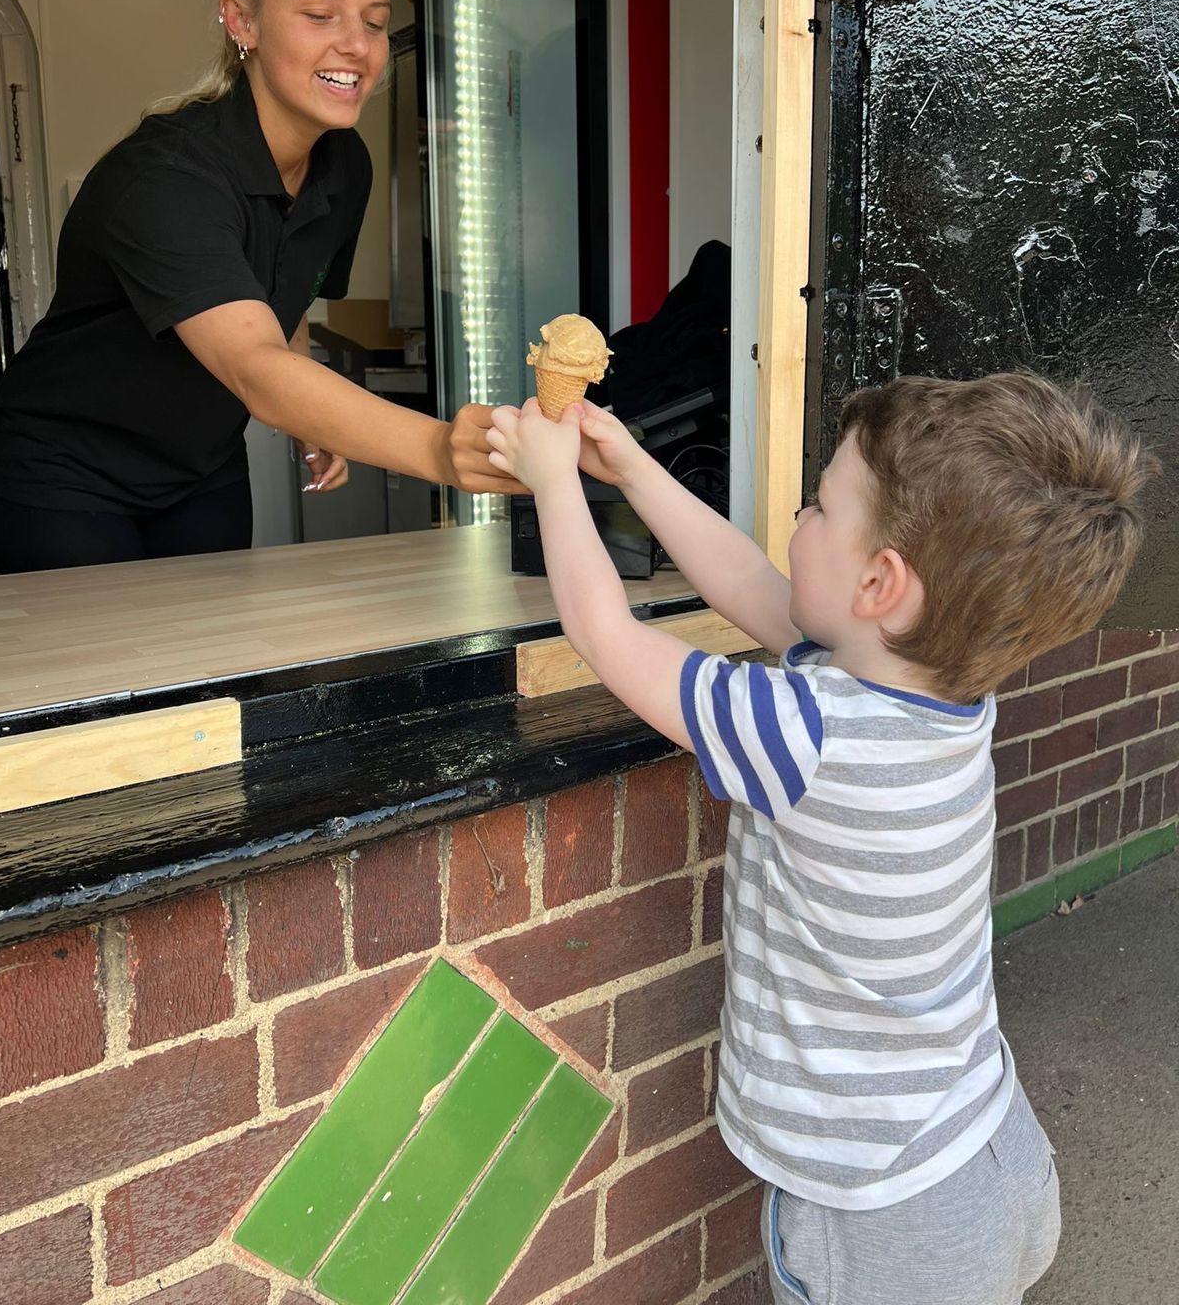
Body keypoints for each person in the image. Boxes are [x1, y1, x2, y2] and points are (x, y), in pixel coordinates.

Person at [487, 371, 1159, 1305]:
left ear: (881, 584)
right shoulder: (944, 696)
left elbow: (605, 635)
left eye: (816, 504)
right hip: (989, 1143)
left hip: (883, 1218)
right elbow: (755, 586)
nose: (795, 519)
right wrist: (632, 469)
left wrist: (554, 482)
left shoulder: (810, 736)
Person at [0, 0, 515, 574]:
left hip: (200, 465)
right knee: (125, 675)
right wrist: (442, 449)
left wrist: (311, 413)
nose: (357, 45)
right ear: (242, 21)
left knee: (215, 665)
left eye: (375, 21)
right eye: (320, 14)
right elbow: (256, 368)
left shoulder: (344, 163)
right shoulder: (167, 176)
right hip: (65, 467)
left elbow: (280, 311)